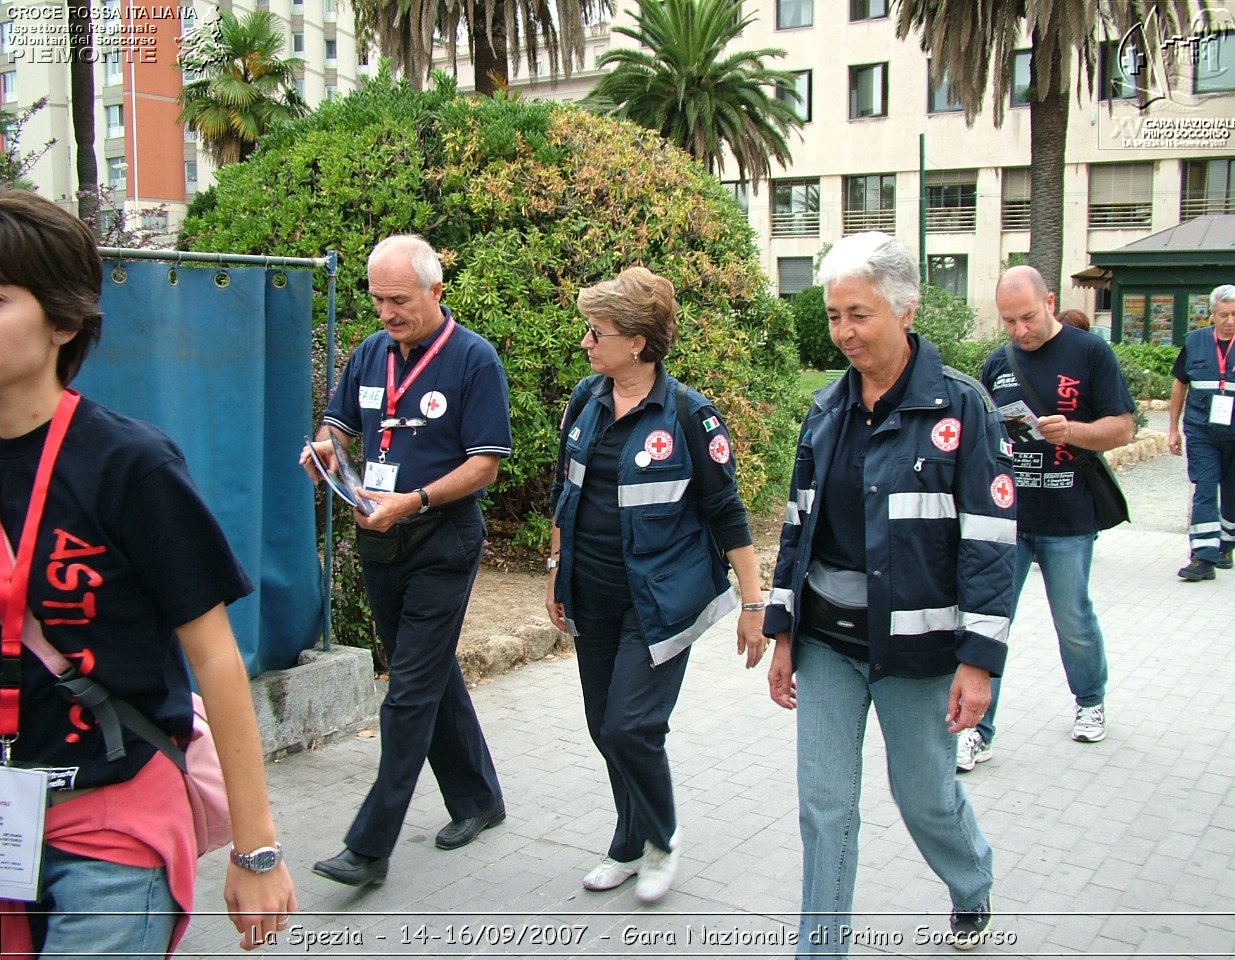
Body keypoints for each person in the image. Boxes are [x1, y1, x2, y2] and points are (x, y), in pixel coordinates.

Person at [0, 190, 295, 956]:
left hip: (110, 817)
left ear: (63, 321)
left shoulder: (127, 464)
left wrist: (255, 849)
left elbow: (216, 659)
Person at [764, 233, 1015, 954]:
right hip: (827, 645)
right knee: (825, 807)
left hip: (919, 651)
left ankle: (971, 881)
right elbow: (798, 524)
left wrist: (979, 661)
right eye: (835, 314)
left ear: (905, 310)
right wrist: (784, 631)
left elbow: (992, 544)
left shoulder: (962, 409)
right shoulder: (825, 411)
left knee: (926, 799)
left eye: (858, 315)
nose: (843, 331)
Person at [546, 266, 768, 904]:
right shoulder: (586, 400)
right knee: (601, 722)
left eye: (597, 332)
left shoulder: (691, 416)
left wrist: (754, 603)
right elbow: (566, 492)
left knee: (630, 726)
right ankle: (627, 840)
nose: (587, 343)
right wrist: (557, 567)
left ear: (637, 342)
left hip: (659, 598)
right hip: (592, 591)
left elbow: (727, 511)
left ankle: (662, 839)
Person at [302, 235, 510, 887]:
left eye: (399, 300)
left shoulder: (474, 360)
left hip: (441, 540)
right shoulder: (370, 354)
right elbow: (338, 424)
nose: (387, 313)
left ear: (435, 292)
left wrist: (415, 499)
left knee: (408, 694)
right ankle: (478, 798)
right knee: (430, 673)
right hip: (379, 537)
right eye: (377, 300)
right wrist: (326, 449)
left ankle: (369, 847)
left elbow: (485, 464)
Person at [960, 265, 1135, 773]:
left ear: (1051, 302)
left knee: (1072, 618)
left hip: (1069, 516)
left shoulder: (1089, 352)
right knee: (989, 625)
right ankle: (977, 730)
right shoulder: (999, 362)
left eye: (1028, 317)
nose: (1019, 330)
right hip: (1007, 518)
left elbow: (1123, 428)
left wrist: (1073, 432)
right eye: (1008, 321)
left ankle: (1090, 701)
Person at [1167, 284, 1235, 581]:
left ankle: (1227, 545)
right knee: (1204, 487)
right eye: (1224, 314)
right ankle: (1203, 556)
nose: (1231, 321)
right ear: (1211, 314)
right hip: (1202, 429)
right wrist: (1173, 429)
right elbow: (1180, 384)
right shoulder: (1195, 342)